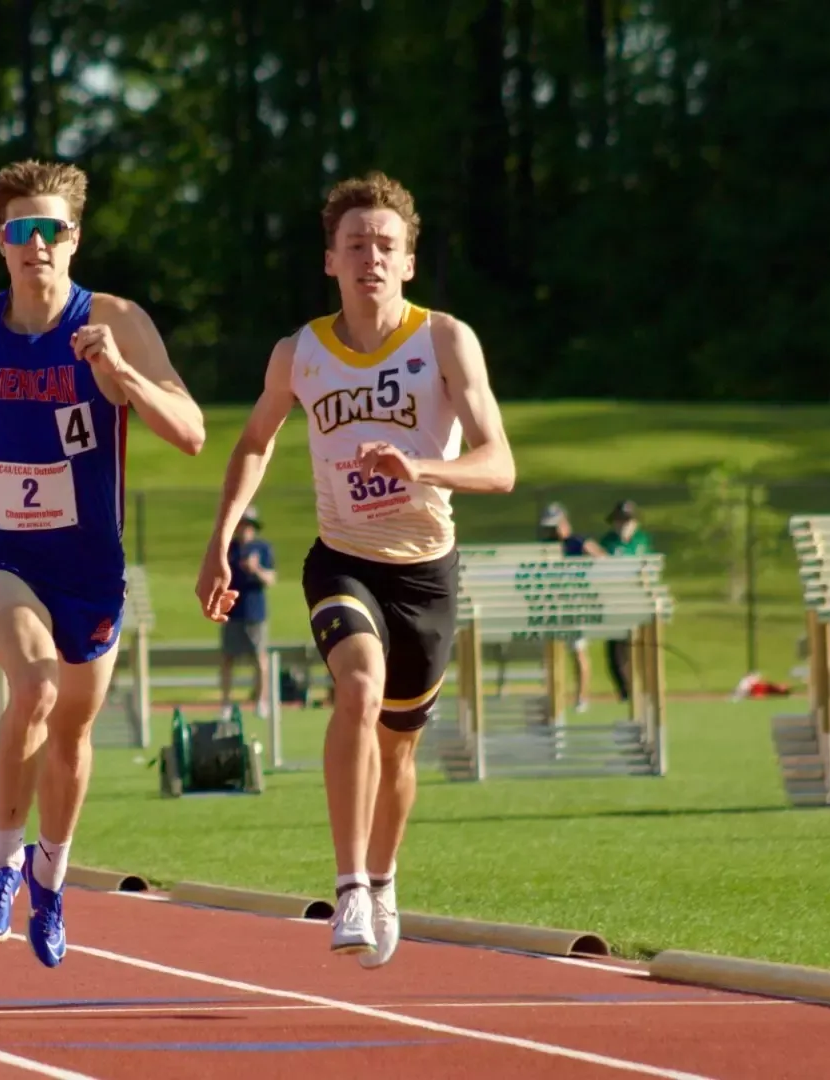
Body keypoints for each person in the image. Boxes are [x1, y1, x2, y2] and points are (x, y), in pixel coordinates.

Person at [0, 160, 205, 968]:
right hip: (1, 550)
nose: (38, 243)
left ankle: (50, 880)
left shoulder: (116, 320)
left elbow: (192, 433)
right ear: (1, 242)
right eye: (22, 229)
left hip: (88, 564)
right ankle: (2, 864)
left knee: (72, 731)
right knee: (35, 686)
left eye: (53, 228)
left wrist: (119, 375)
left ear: (74, 238)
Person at [196, 171, 516, 969]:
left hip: (426, 571)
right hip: (342, 562)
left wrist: (421, 468)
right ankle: (347, 887)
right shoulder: (299, 354)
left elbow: (500, 464)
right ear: (330, 261)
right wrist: (220, 539)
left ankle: (382, 878)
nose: (371, 257)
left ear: (408, 262)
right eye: (356, 244)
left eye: (385, 245)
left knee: (399, 745)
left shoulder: (445, 340)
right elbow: (255, 442)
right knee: (358, 689)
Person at [540, 502, 603, 711]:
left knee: (578, 651)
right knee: (551, 654)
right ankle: (554, 695)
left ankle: (582, 696)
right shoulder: (546, 546)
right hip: (553, 606)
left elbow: (602, 559)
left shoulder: (578, 542)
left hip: (575, 605)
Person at [218, 506, 276, 718]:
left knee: (259, 658)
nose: (244, 529)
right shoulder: (229, 548)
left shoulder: (263, 548)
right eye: (241, 524)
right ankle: (226, 703)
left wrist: (256, 569)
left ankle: (261, 700)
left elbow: (271, 579)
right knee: (228, 658)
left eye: (248, 525)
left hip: (255, 612)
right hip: (232, 611)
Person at [596, 500, 652, 703]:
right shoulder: (607, 542)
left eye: (627, 521)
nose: (623, 525)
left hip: (636, 601)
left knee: (638, 647)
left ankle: (642, 688)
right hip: (615, 602)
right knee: (616, 651)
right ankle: (625, 690)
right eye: (619, 521)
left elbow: (648, 570)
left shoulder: (641, 541)